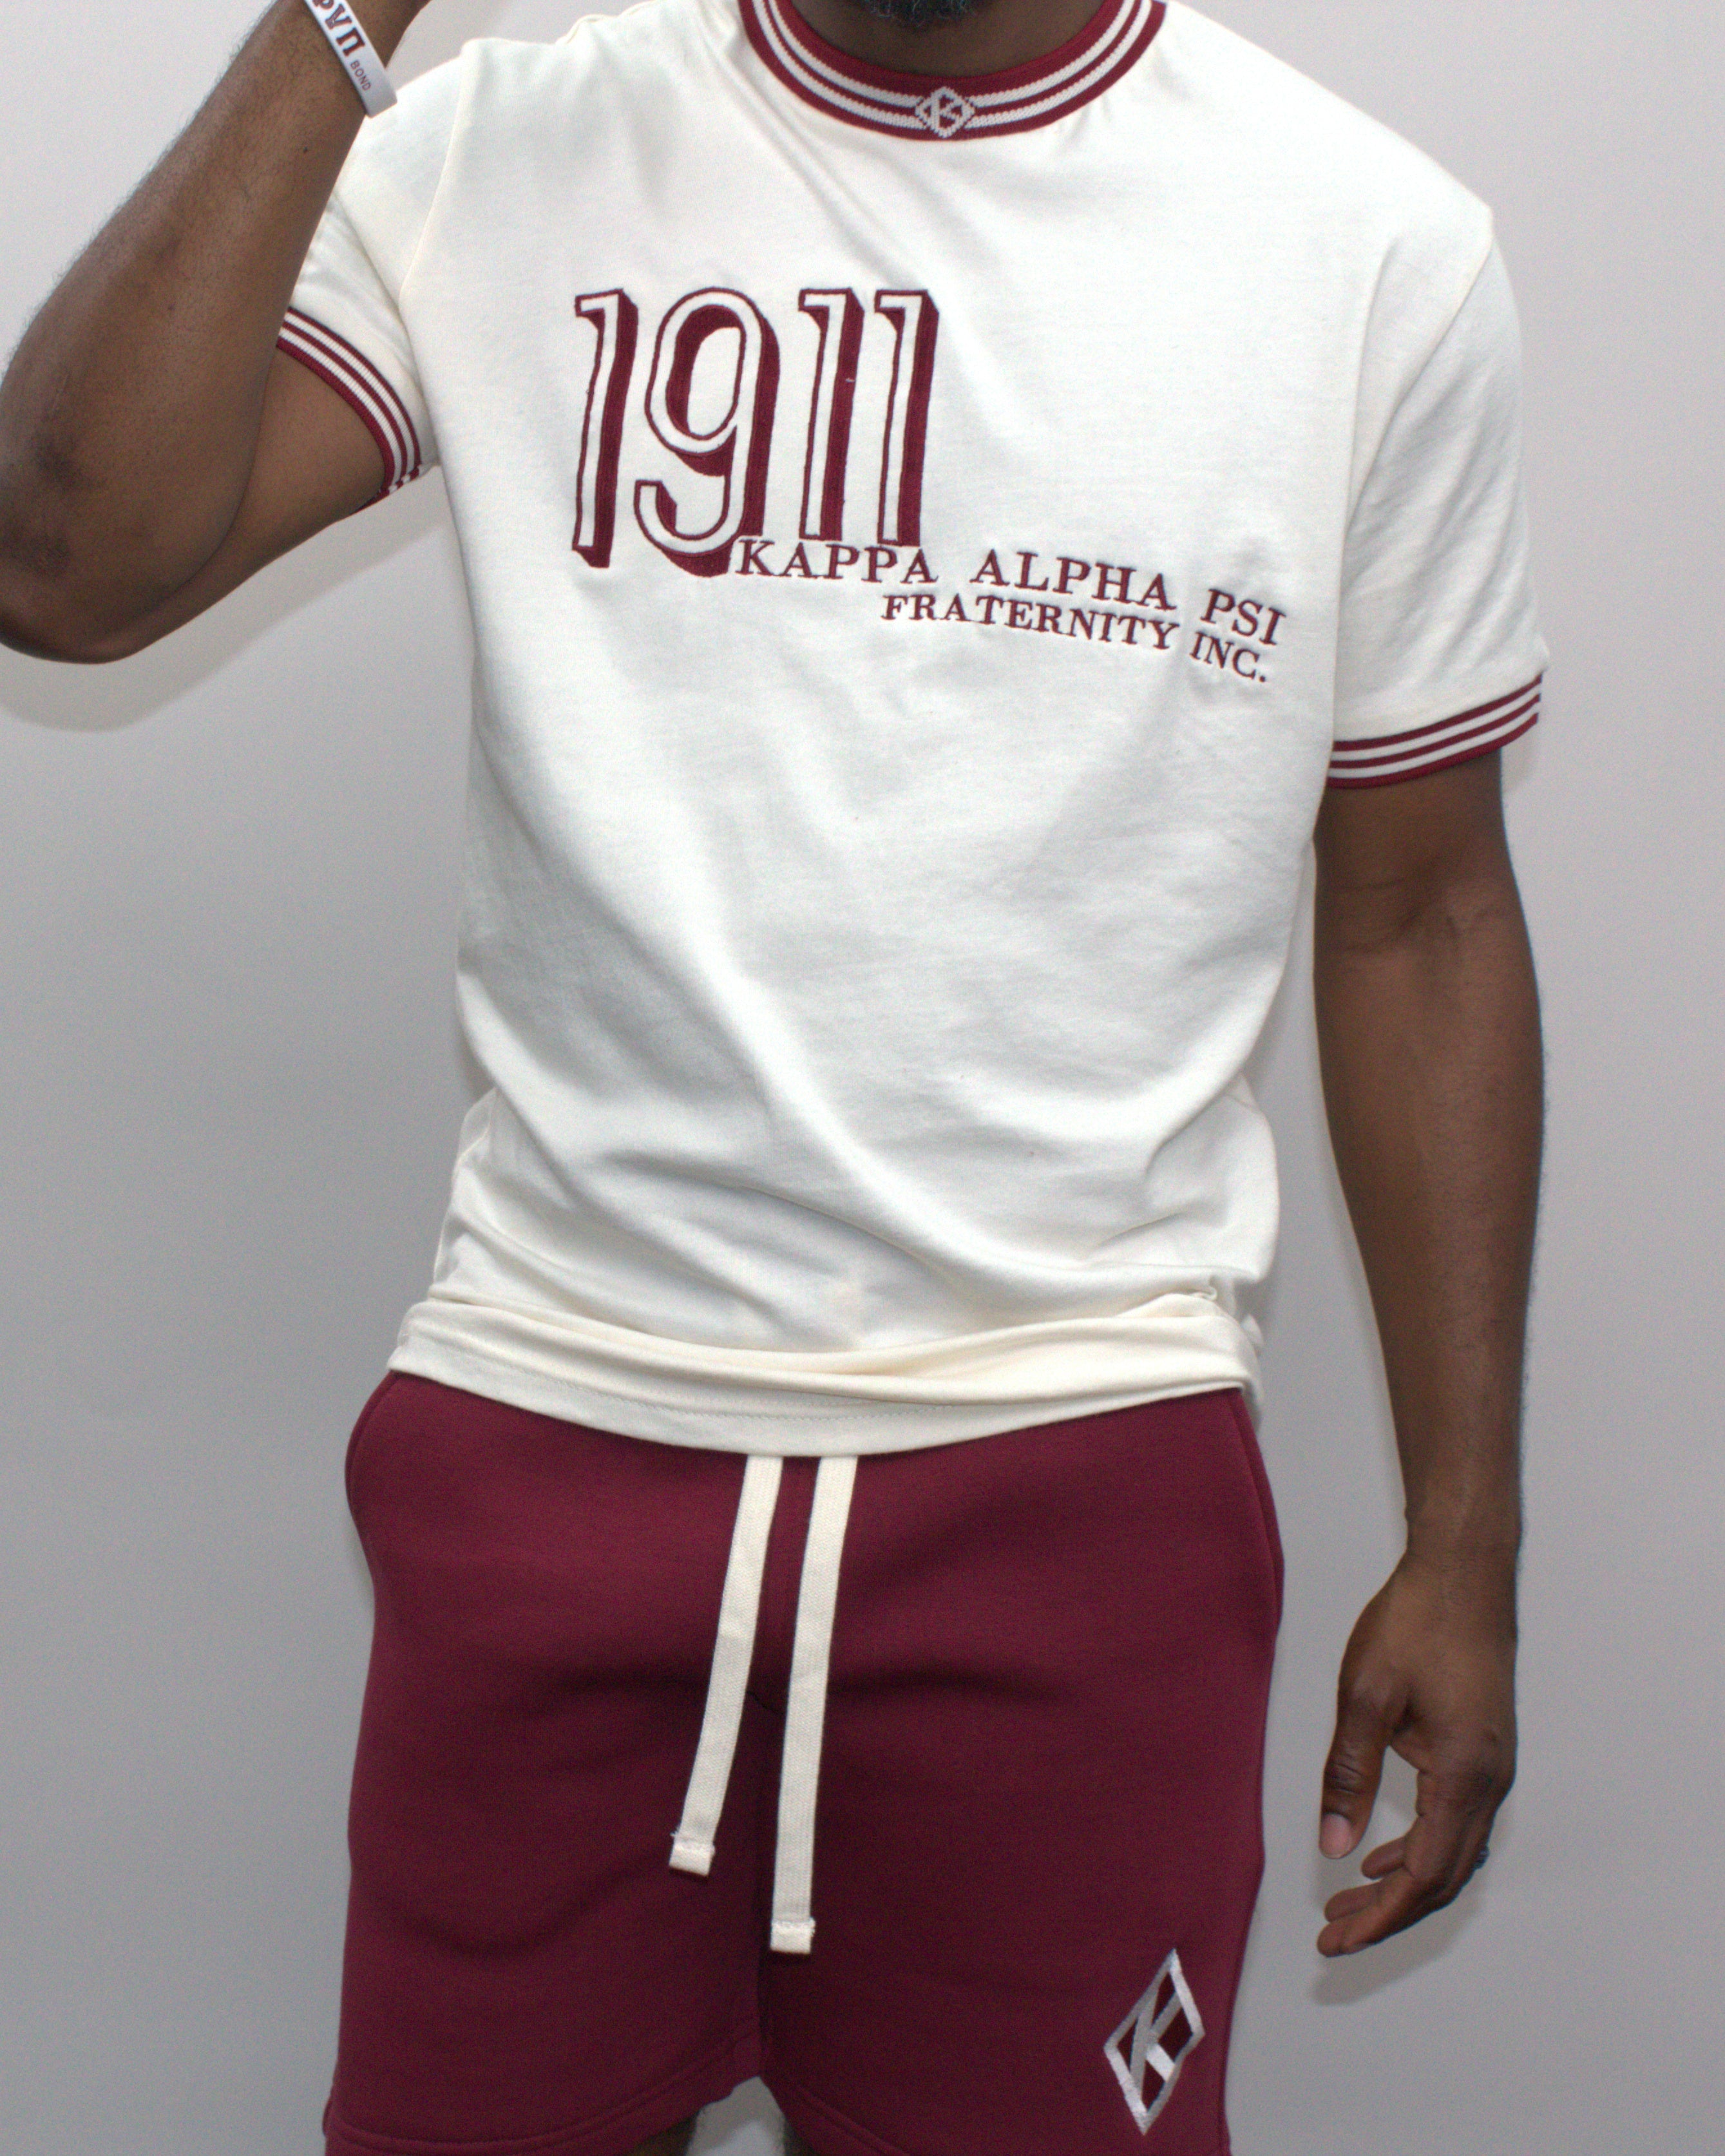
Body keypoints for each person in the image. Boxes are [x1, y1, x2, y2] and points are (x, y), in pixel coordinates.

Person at [0, 1, 1543, 2151]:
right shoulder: (508, 151)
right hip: (556, 1436)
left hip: (1078, 1480)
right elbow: (60, 563)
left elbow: (1422, 913)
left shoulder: (1368, 245)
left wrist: (1468, 1537)